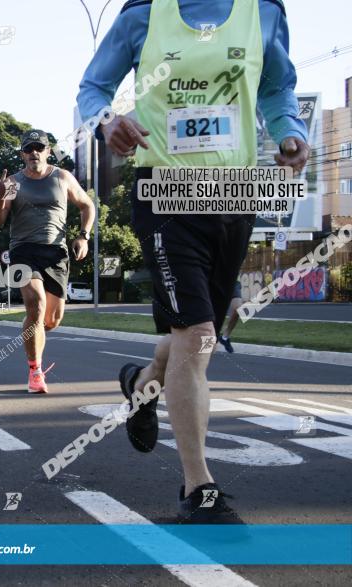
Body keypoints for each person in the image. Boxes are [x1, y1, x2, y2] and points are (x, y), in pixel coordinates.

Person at [77, 0, 309, 524]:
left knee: (203, 331)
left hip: (235, 194)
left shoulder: (264, 13)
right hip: (164, 194)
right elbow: (93, 89)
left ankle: (142, 386)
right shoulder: (142, 15)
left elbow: (276, 86)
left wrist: (290, 129)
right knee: (198, 333)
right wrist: (107, 121)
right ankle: (198, 489)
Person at [0, 129, 95, 393]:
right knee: (35, 305)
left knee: (51, 320)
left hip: (56, 253)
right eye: (28, 148)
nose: (34, 152)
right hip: (24, 251)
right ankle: (35, 371)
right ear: (22, 154)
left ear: (48, 151)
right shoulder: (13, 182)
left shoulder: (63, 177)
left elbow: (87, 205)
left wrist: (84, 235)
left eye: (39, 147)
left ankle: (34, 339)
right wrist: (1, 196)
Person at [217, 279, 244, 353]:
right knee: (212, 312)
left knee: (238, 309)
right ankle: (206, 351)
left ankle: (224, 338)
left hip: (233, 279)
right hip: (213, 279)